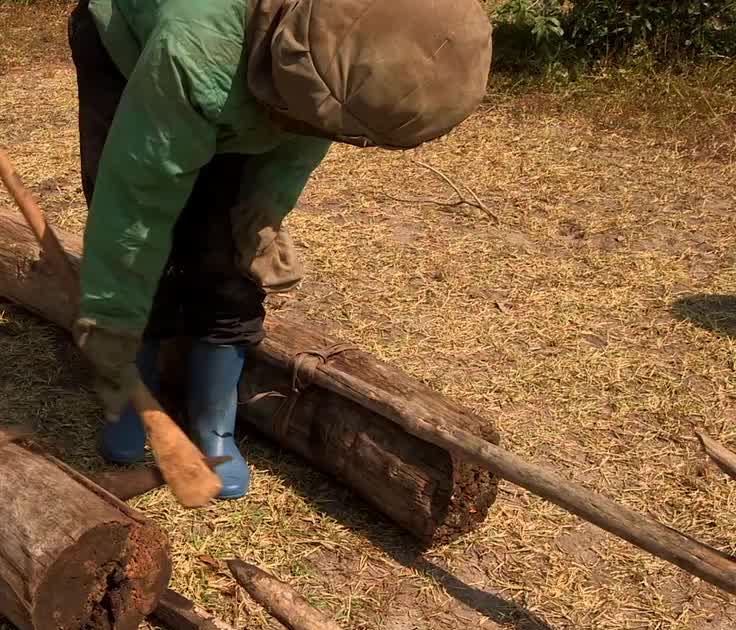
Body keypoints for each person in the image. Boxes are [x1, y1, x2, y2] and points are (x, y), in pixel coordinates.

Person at [68, 0, 493, 499]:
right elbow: (135, 205)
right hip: (132, 47)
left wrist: (259, 219)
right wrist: (111, 316)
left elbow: (304, 137)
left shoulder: (350, 44)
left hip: (252, 74)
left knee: (225, 254)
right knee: (148, 245)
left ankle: (215, 431)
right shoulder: (198, 46)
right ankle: (131, 404)